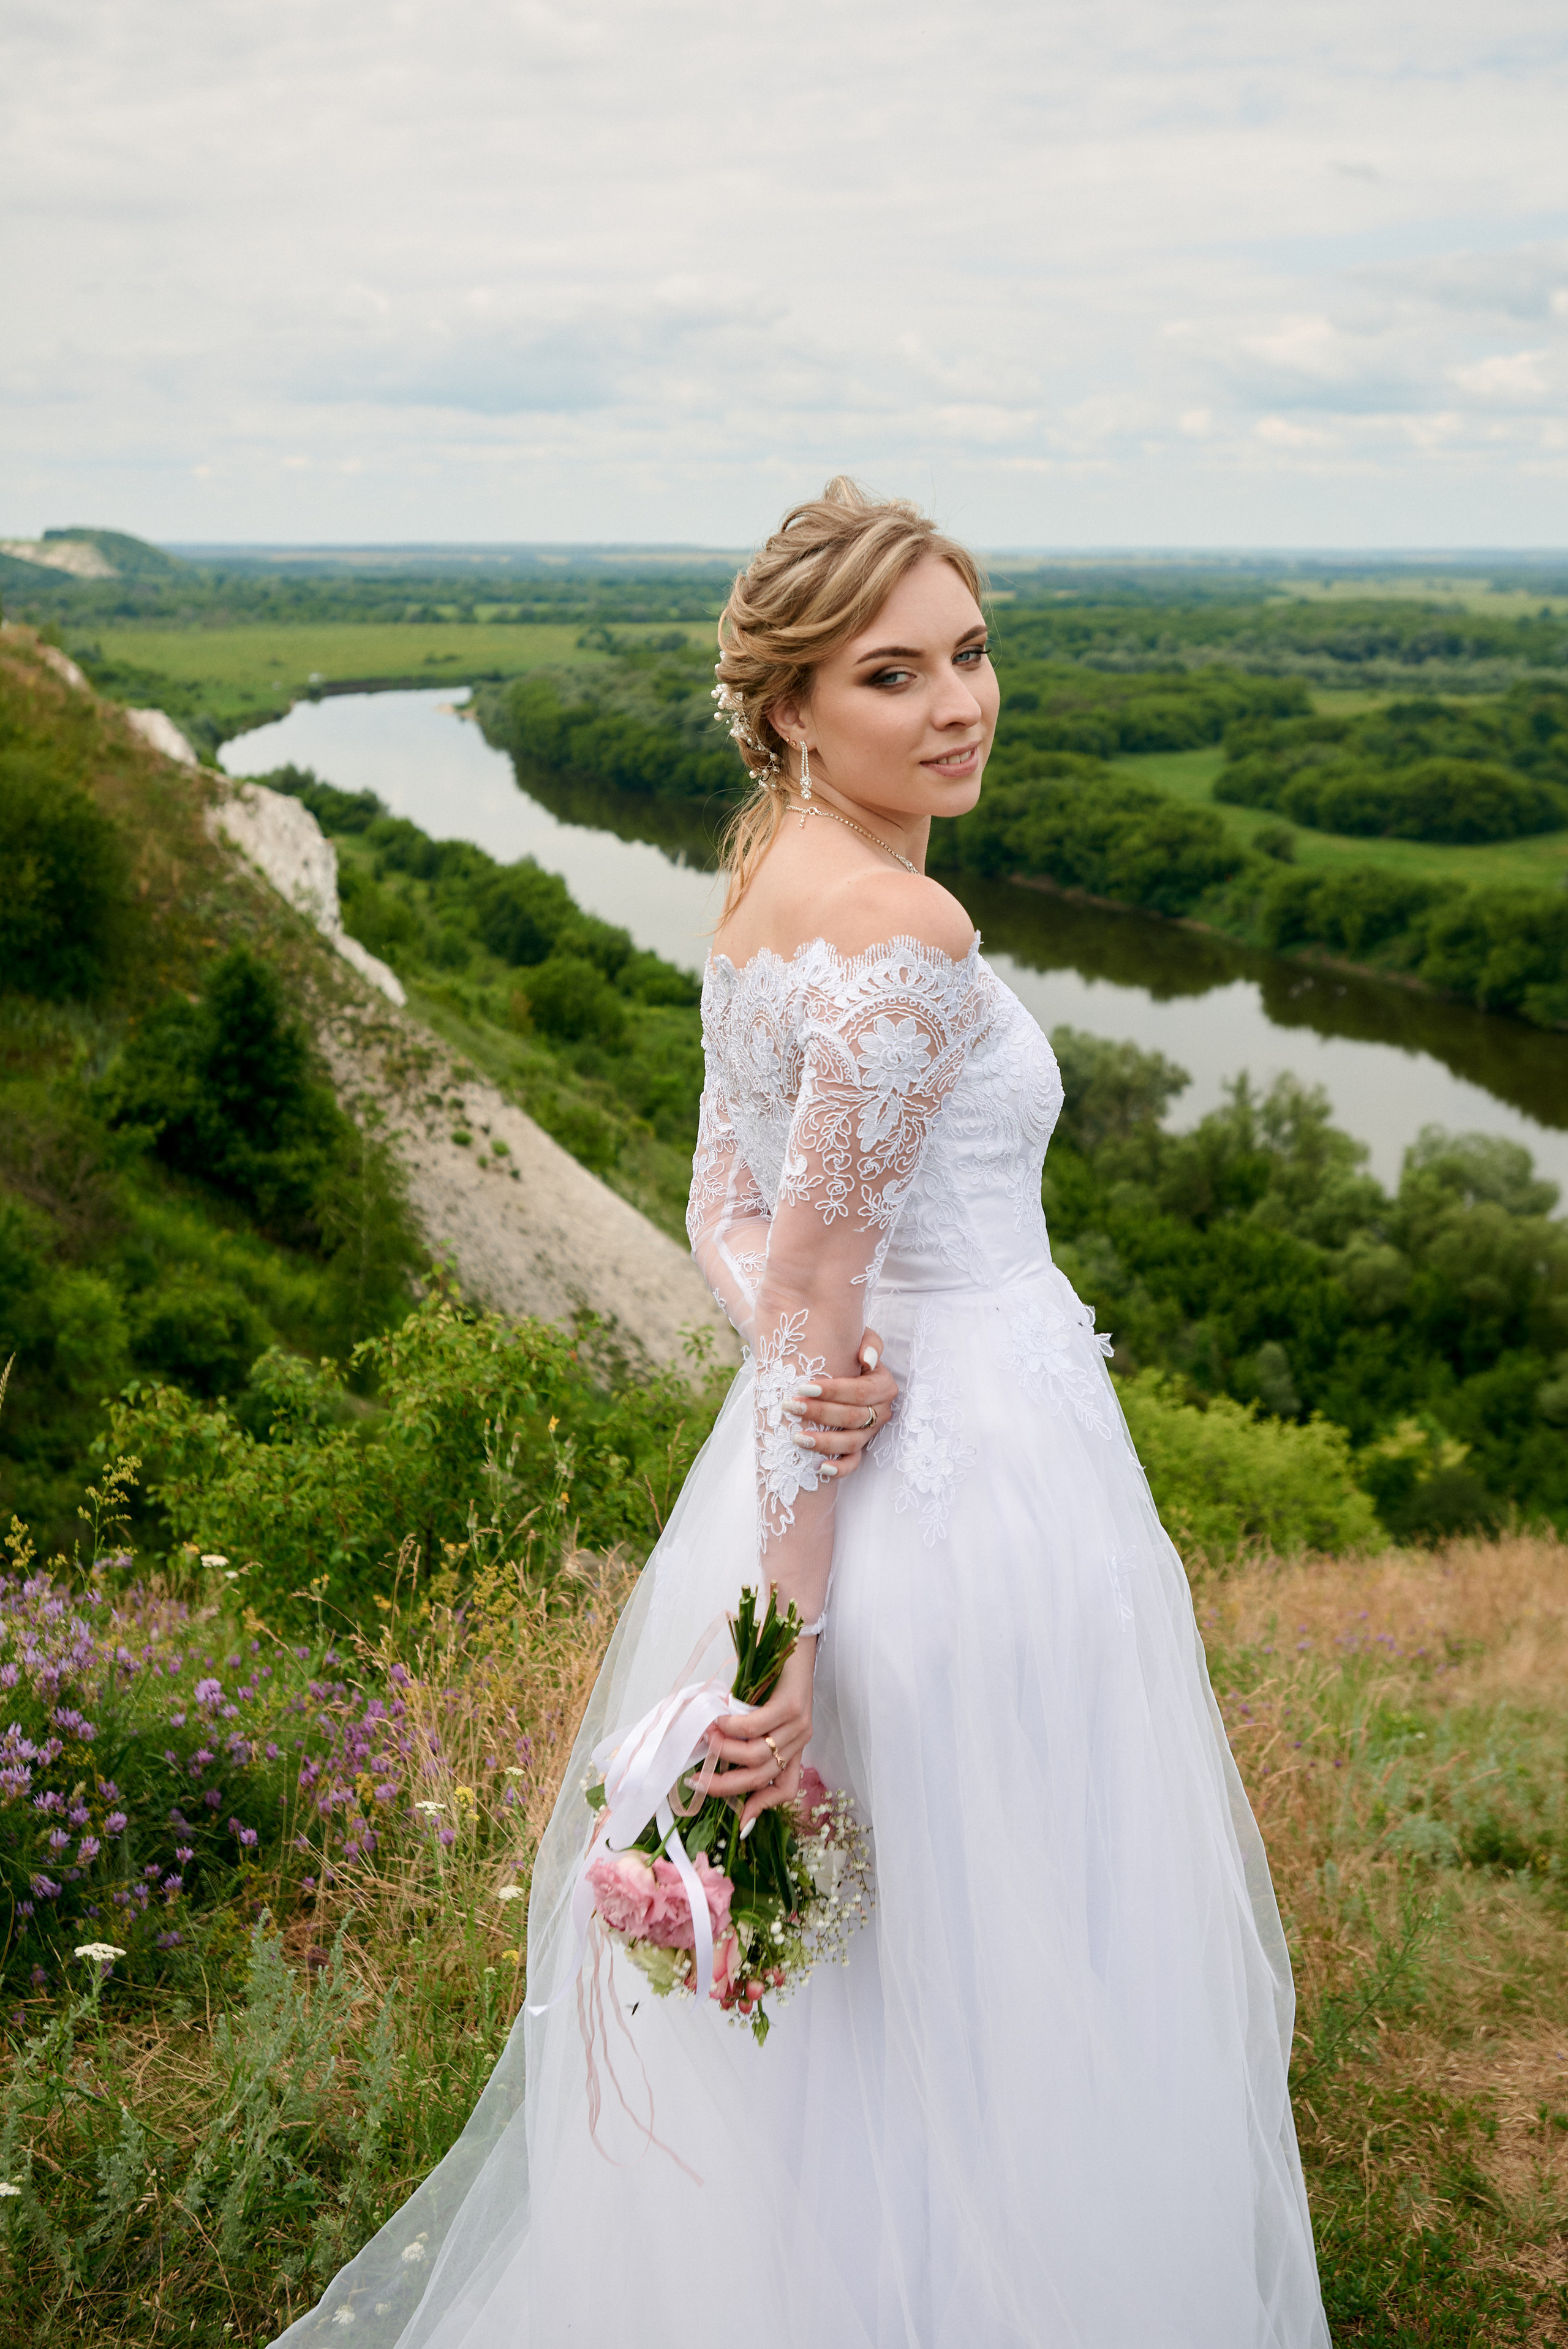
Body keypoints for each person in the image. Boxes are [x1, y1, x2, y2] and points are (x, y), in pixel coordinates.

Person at [277, 480, 1329, 2347]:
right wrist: (787, 1639)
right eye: (893, 671)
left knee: (872, 1975)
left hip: (843, 1460)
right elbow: (818, 1285)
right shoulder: (911, 930)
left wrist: (792, 1363)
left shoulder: (763, 885)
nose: (958, 703)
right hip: (963, 1479)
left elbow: (727, 1218)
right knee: (1005, 1932)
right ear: (789, 710)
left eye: (973, 651)